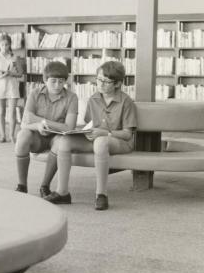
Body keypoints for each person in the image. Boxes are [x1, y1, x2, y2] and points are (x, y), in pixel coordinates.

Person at [44, 61, 137, 210]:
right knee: (64, 141)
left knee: (100, 142)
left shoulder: (126, 102)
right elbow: (90, 124)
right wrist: (85, 132)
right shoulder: (93, 99)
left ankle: (101, 194)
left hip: (120, 142)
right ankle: (62, 193)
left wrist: (105, 133)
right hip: (97, 139)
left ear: (118, 84)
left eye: (106, 81)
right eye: (99, 79)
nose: (101, 84)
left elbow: (127, 134)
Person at [14, 61, 78, 197]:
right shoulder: (34, 94)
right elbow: (24, 123)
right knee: (22, 135)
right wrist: (37, 125)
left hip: (56, 137)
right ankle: (22, 186)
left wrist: (41, 120)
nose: (57, 85)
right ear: (45, 80)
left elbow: (69, 127)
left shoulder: (72, 97)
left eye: (61, 82)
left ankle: (45, 186)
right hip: (37, 136)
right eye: (53, 81)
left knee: (62, 142)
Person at [0, 34, 24, 143]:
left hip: (12, 86)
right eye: (2, 44)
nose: (4, 47)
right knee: (1, 111)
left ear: (10, 45)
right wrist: (2, 76)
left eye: (7, 44)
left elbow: (20, 74)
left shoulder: (15, 57)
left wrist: (12, 73)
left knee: (12, 111)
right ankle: (3, 135)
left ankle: (12, 135)